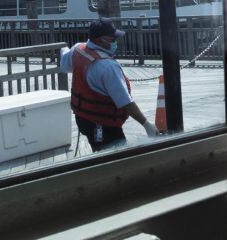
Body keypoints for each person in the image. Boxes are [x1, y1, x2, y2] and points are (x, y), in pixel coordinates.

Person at [60, 18, 158, 152]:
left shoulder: (78, 49)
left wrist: (63, 48)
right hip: (103, 124)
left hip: (83, 119)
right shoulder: (107, 67)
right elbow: (125, 102)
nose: (116, 42)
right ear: (100, 40)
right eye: (112, 39)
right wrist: (147, 125)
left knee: (98, 151)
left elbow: (64, 63)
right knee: (116, 161)